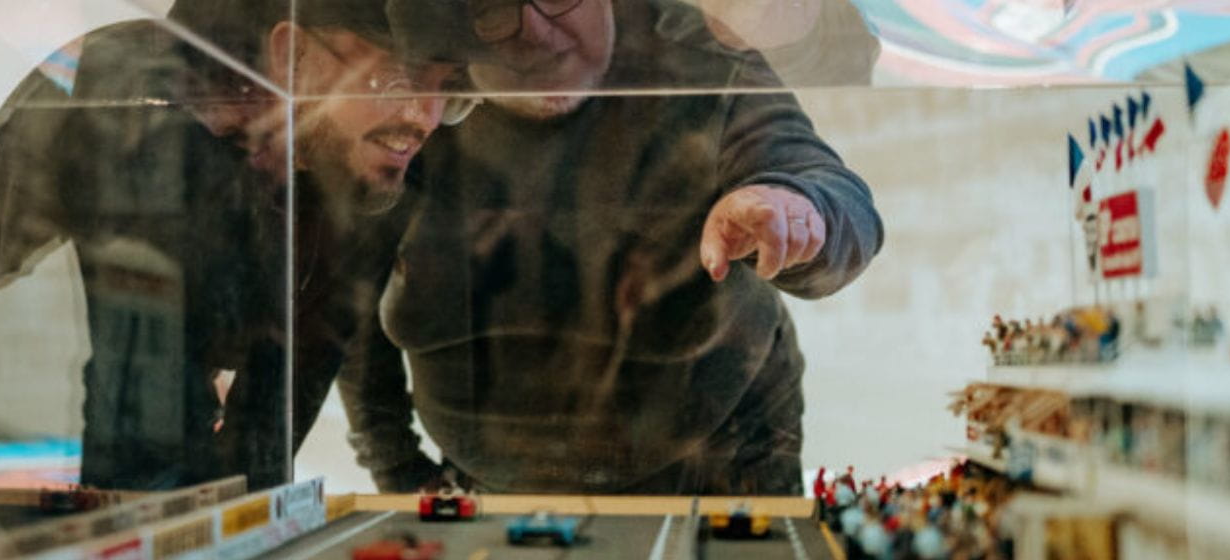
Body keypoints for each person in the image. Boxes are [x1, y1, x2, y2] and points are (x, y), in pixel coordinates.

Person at [0, 0, 468, 538]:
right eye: (400, 81)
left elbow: (298, 380)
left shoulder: (385, 168)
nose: (426, 117)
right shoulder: (147, 103)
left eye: (451, 91)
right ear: (291, 56)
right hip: (50, 487)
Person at [338, 0, 883, 495]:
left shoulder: (695, 55)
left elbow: (836, 198)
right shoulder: (419, 96)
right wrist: (400, 473)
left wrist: (793, 205)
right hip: (481, 482)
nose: (532, 31)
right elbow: (350, 300)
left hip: (717, 461)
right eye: (490, 5)